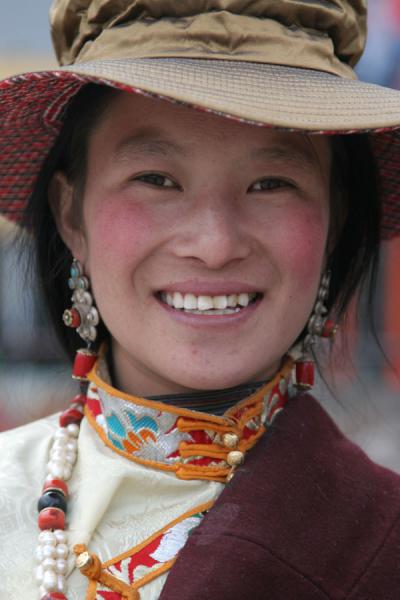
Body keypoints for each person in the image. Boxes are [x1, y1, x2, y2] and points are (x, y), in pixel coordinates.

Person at [0, 1, 399, 599]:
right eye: (156, 179)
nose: (215, 245)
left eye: (272, 184)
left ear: (334, 222)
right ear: (70, 214)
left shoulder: (379, 543)